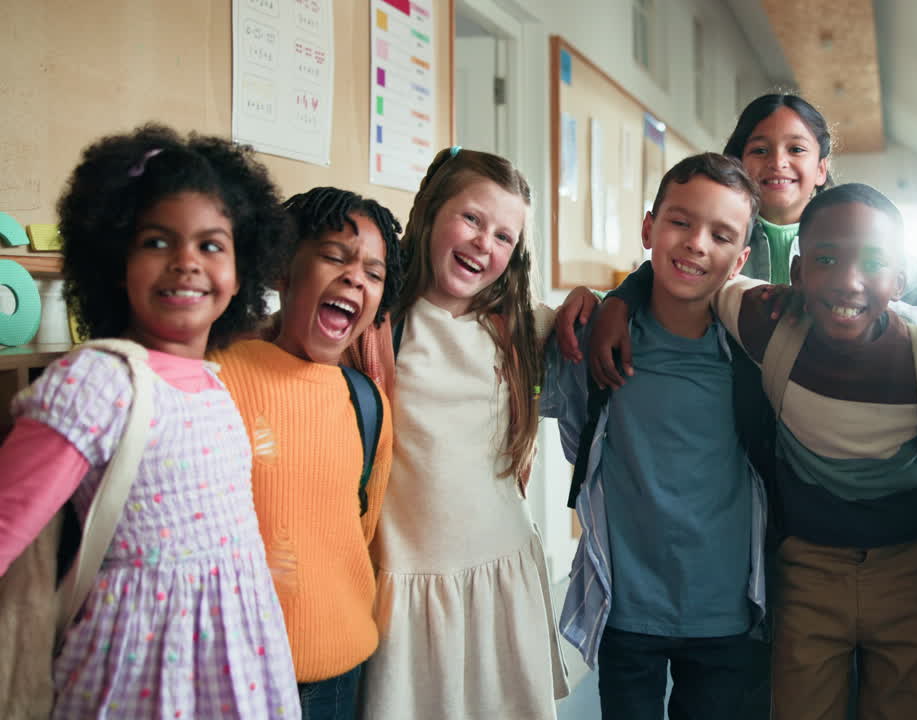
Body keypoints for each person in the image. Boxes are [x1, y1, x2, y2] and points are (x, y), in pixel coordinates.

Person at [602, 183, 917, 720]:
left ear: (902, 280)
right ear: (794, 274)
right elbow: (692, 268)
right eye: (826, 259)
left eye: (873, 262)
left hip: (913, 568)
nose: (848, 281)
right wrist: (616, 300)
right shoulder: (767, 322)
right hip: (808, 567)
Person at [0, 124, 301, 718]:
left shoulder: (215, 381)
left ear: (241, 272)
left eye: (212, 245)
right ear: (116, 262)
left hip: (240, 664)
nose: (186, 262)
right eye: (158, 242)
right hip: (141, 677)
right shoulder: (95, 384)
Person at [359, 147, 584, 720]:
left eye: (505, 237)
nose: (486, 243)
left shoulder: (519, 327)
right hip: (410, 578)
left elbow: (597, 324)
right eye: (472, 220)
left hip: (499, 573)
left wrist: (596, 299)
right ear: (432, 213)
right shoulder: (380, 326)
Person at [544, 153, 769, 720]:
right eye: (680, 222)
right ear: (648, 228)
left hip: (723, 610)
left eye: (720, 235)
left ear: (740, 259)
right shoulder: (598, 338)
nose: (696, 244)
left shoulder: (751, 355)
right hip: (626, 606)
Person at [579, 93, 917, 391]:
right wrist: (612, 302)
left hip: (824, 417)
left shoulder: (852, 235)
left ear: (820, 168)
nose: (777, 161)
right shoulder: (722, 241)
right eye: (759, 149)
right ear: (738, 163)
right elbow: (663, 278)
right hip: (740, 416)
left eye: (796, 149)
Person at [214, 187, 402, 719]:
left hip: (336, 676)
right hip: (233, 674)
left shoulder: (368, 405)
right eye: (333, 256)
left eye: (373, 273)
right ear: (282, 269)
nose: (354, 278)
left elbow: (359, 533)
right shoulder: (219, 373)